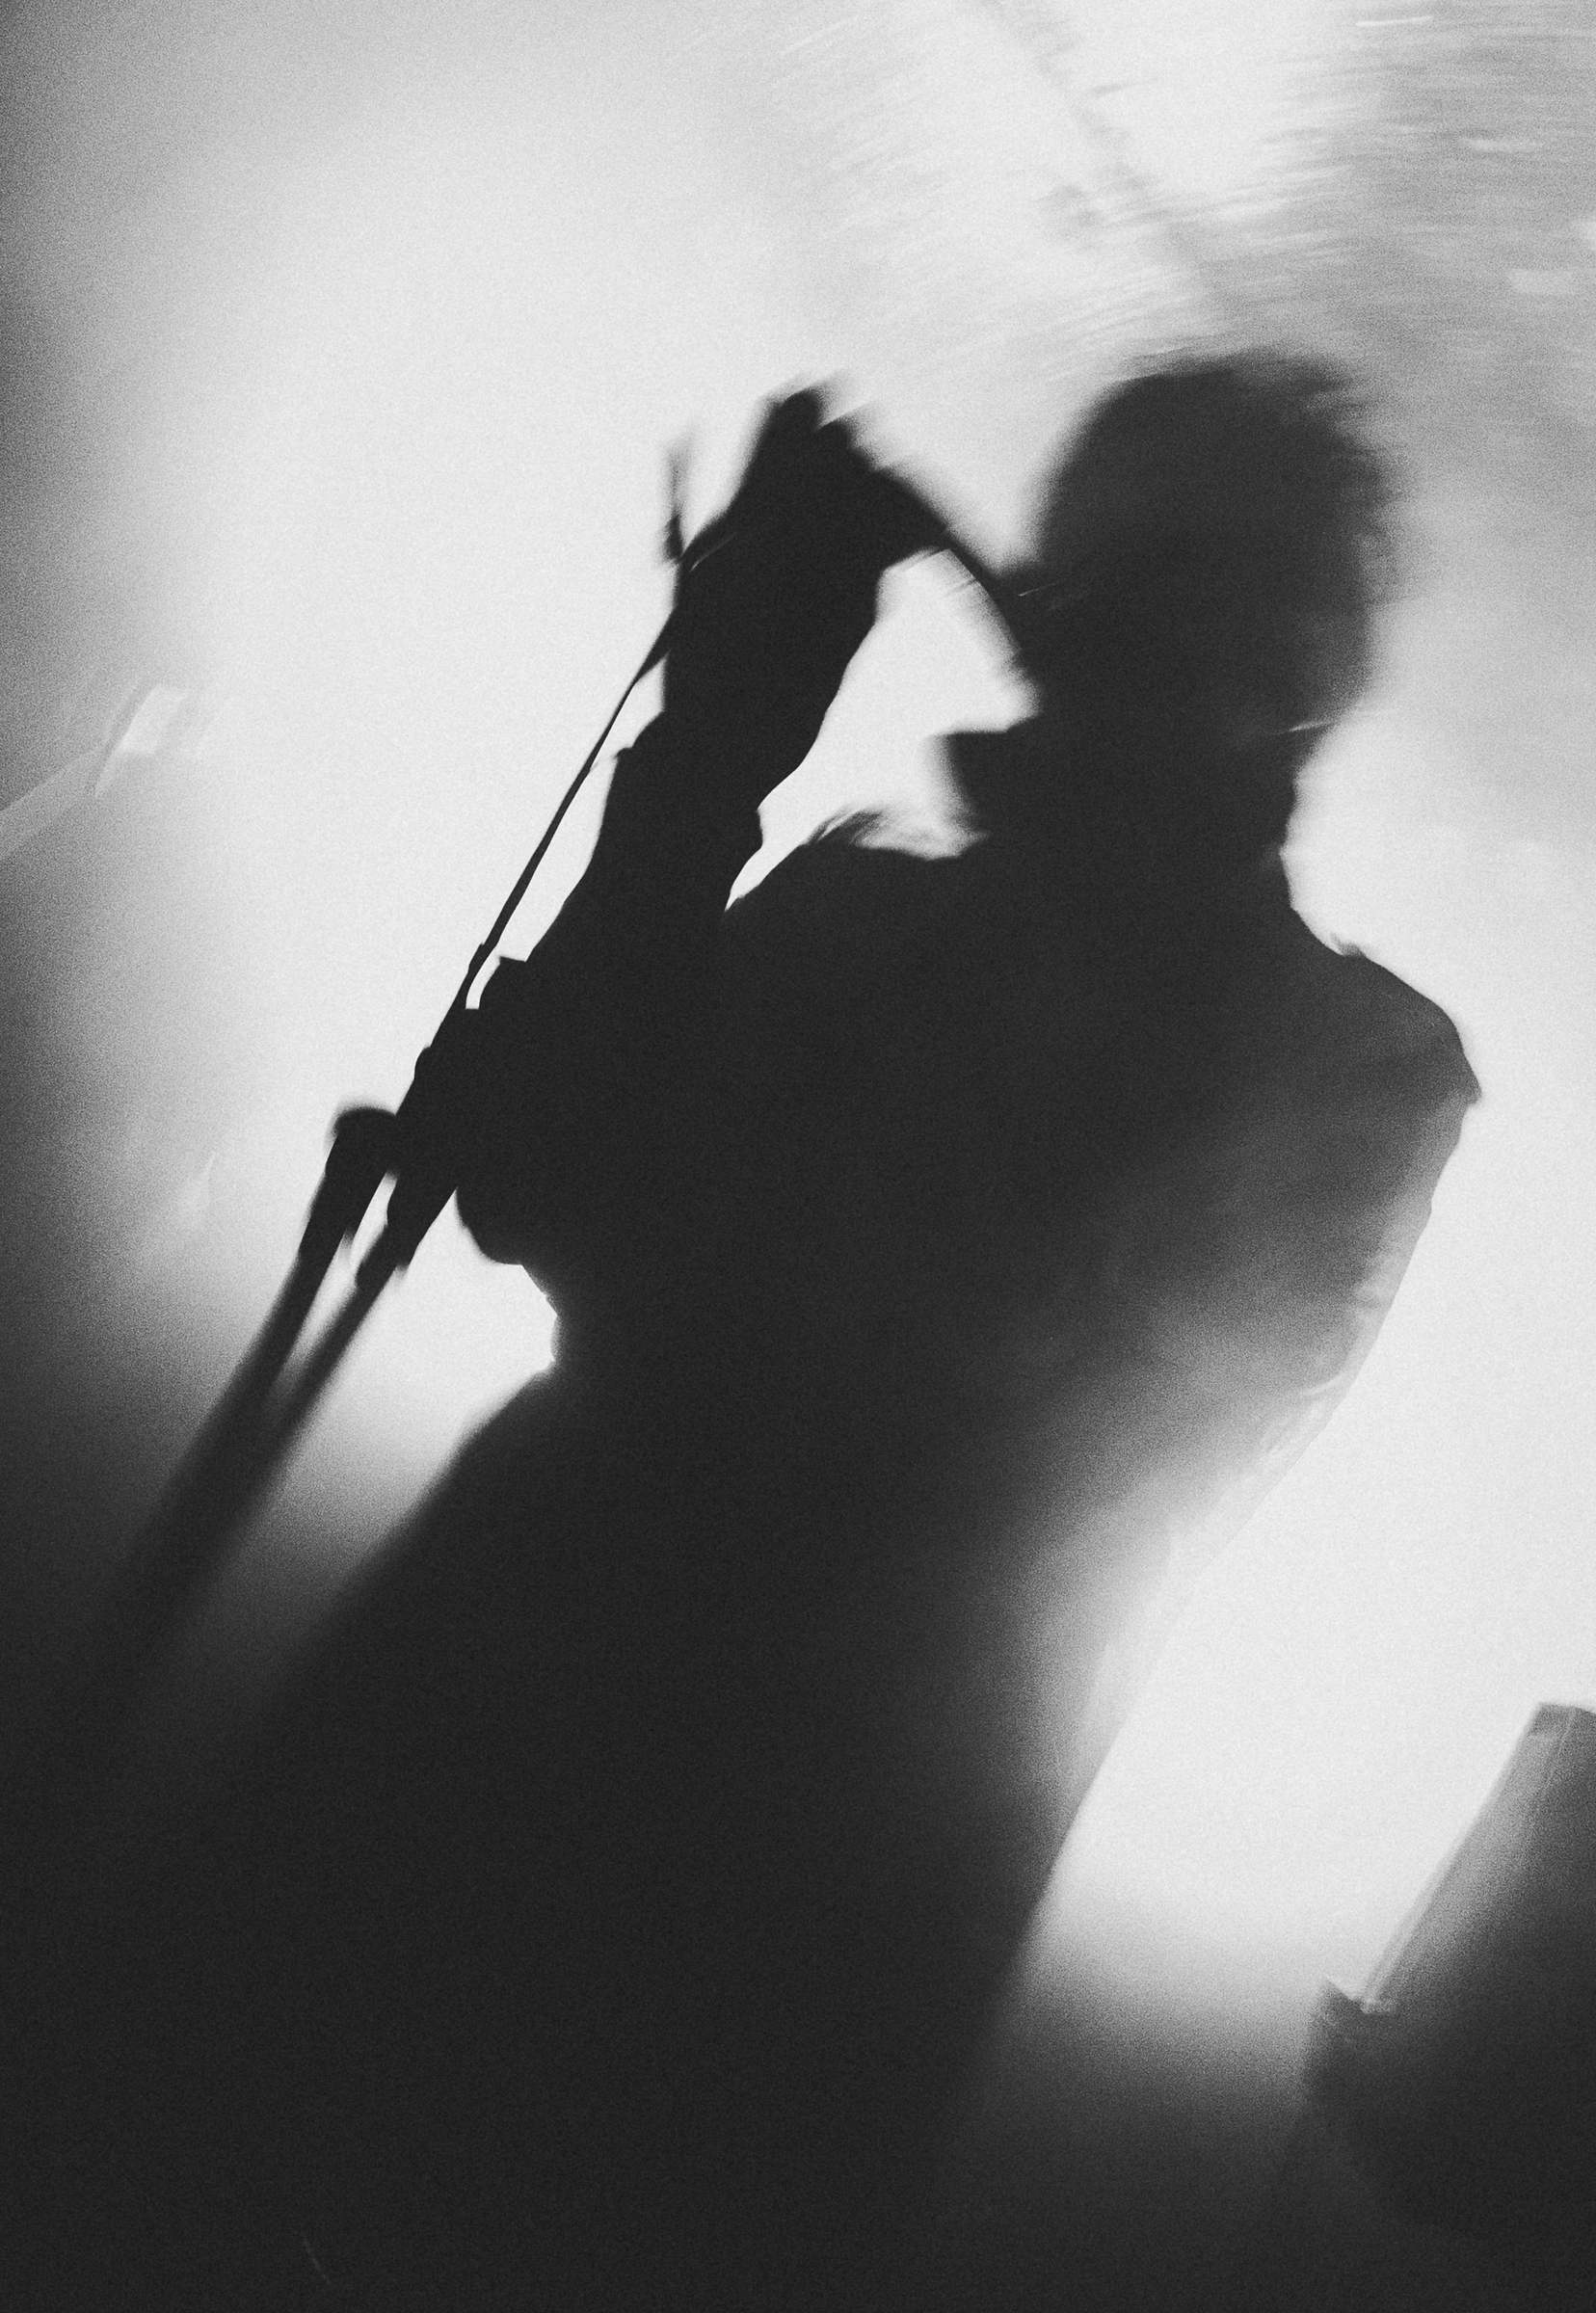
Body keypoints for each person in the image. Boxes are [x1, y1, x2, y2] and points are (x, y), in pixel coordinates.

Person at [35, 358, 1477, 2310]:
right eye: (1100, 568)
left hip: (776, 1923)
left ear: (1291, 677)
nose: (1099, 620)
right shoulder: (860, 906)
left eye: (1175, 590)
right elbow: (540, 1183)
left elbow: (1006, 1436)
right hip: (444, 1759)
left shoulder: (1354, 1070)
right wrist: (711, 747)